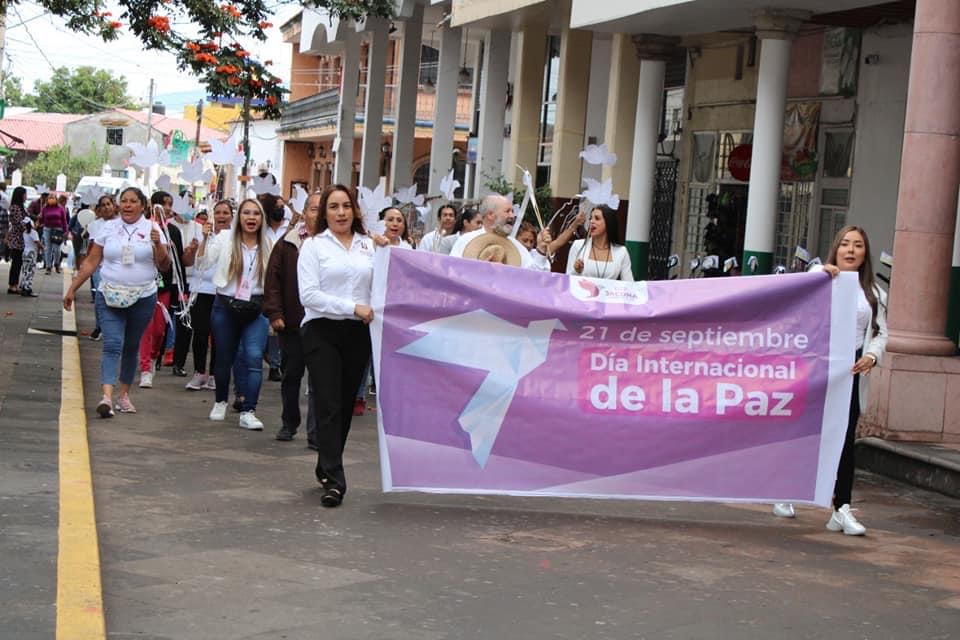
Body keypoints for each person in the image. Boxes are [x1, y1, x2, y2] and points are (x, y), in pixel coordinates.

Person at [772, 225, 887, 535]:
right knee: (808, 434)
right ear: (836, 248)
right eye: (845, 244)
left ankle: (842, 508)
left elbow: (880, 332)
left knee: (845, 441)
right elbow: (796, 301)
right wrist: (820, 273)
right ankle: (787, 491)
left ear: (866, 253)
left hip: (849, 377)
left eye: (858, 245)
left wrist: (872, 356)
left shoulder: (874, 293)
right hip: (818, 372)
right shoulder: (822, 280)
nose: (851, 250)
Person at [298, 184, 375, 508]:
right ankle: (335, 479)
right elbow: (309, 295)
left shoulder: (370, 246)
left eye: (346, 206)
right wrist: (352, 307)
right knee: (327, 401)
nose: (341, 212)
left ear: (355, 210)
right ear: (323, 212)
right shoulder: (313, 247)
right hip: (321, 330)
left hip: (358, 333)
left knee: (344, 405)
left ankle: (326, 464)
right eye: (333, 207)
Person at [63, 187, 171, 417]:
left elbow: (164, 265)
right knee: (112, 344)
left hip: (143, 296)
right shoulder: (108, 228)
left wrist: (158, 245)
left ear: (143, 205)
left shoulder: (153, 229)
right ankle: (106, 397)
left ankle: (123, 395)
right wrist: (73, 288)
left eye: (133, 201)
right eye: (124, 201)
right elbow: (92, 261)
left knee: (131, 346)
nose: (128, 205)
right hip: (109, 294)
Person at [199, 197, 272, 430]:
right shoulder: (224, 239)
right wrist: (204, 238)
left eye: (256, 214)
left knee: (253, 356)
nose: (251, 218)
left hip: (256, 306)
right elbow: (202, 263)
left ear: (262, 219)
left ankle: (249, 410)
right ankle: (220, 401)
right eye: (246, 213)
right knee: (223, 357)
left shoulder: (268, 244)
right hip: (226, 305)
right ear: (239, 217)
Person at [264, 192, 322, 446]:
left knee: (321, 380)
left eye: (323, 209)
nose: (317, 214)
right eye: (313, 209)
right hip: (293, 322)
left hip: (322, 322)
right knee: (291, 376)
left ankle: (317, 432)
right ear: (304, 212)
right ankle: (289, 422)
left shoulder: (333, 243)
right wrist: (275, 313)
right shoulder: (288, 242)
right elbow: (273, 280)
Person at [138, 191, 186, 387]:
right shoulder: (143, 227)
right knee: (146, 327)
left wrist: (182, 289)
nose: (167, 208)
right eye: (164, 203)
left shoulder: (174, 231)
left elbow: (178, 263)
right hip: (143, 284)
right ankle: (145, 368)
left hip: (165, 286)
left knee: (159, 329)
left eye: (170, 204)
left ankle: (152, 356)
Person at [184, 200, 233, 391]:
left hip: (222, 292)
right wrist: (196, 247)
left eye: (225, 213)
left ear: (231, 216)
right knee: (200, 334)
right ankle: (199, 373)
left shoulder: (234, 238)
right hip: (201, 291)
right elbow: (190, 262)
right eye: (218, 213)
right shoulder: (204, 235)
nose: (221, 216)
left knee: (219, 336)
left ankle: (214, 374)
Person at [449, 194, 552, 270]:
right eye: (507, 211)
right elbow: (452, 272)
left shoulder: (517, 246)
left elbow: (535, 279)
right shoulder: (465, 241)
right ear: (490, 214)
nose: (512, 216)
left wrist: (541, 251)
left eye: (512, 211)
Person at [168, 193, 203, 377]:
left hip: (190, 282)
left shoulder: (199, 228)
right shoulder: (168, 227)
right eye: (184, 204)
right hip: (168, 281)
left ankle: (178, 362)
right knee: (164, 322)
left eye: (191, 205)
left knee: (185, 323)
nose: (188, 208)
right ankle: (156, 358)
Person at [565, 206, 634, 281]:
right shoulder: (578, 246)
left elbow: (629, 284)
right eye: (591, 218)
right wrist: (576, 271)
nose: (591, 221)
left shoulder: (621, 252)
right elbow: (568, 281)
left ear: (608, 222)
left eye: (597, 218)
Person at [86, 195, 118, 340]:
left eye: (108, 204)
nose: (106, 207)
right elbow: (92, 247)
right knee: (100, 298)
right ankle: (99, 326)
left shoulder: (121, 223)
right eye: (103, 205)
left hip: (116, 267)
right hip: (99, 266)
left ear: (114, 205)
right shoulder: (95, 225)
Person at [5, 187, 28, 294]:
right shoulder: (15, 207)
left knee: (18, 262)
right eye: (25, 194)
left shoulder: (20, 207)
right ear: (20, 195)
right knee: (16, 262)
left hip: (20, 238)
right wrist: (28, 227)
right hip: (16, 238)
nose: (26, 197)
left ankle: (15, 284)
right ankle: (12, 285)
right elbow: (18, 223)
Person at [39, 193, 68, 274]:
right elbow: (42, 219)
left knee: (57, 249)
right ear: (47, 200)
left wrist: (65, 231)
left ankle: (57, 264)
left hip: (58, 230)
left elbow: (64, 220)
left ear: (56, 199)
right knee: (48, 248)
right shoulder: (45, 208)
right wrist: (39, 219)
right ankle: (48, 267)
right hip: (47, 229)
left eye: (53, 198)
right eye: (50, 198)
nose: (51, 199)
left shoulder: (60, 208)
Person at [18, 218, 42, 297]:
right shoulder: (34, 232)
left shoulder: (24, 232)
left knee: (25, 270)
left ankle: (23, 286)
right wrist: (43, 248)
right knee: (30, 271)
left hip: (25, 253)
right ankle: (27, 288)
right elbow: (37, 242)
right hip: (31, 254)